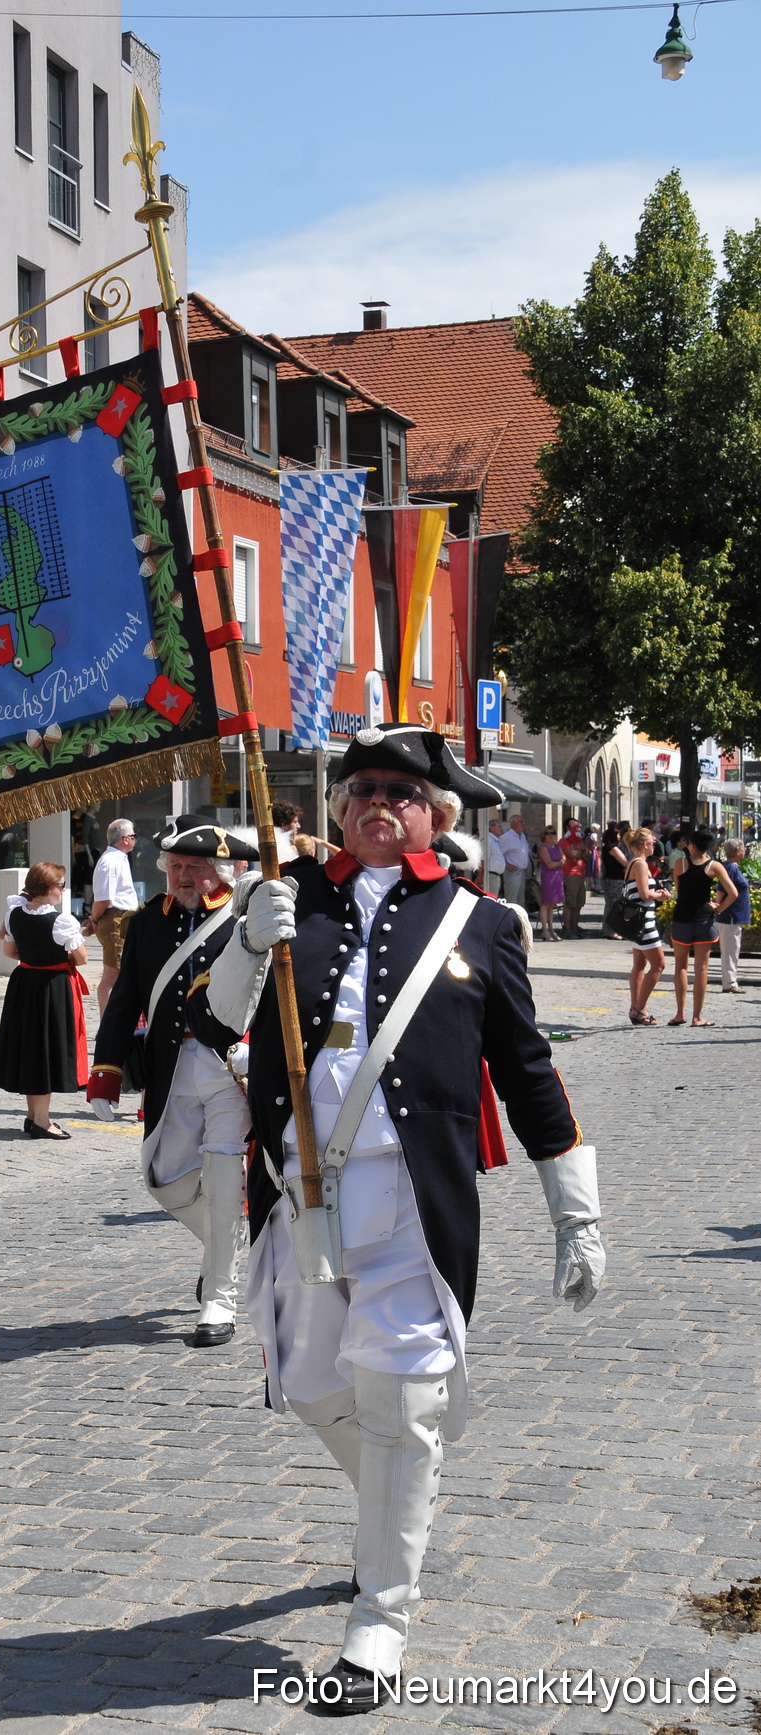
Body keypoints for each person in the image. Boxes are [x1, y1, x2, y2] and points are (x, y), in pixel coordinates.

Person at [193, 725, 604, 1711]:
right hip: (297, 1198)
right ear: (337, 805)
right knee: (305, 1385)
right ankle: (392, 1489)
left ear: (437, 813)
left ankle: (379, 1621)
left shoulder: (481, 921)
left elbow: (527, 1069)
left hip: (411, 1203)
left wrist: (573, 1212)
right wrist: (250, 939)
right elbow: (214, 1025)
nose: (380, 802)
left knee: (400, 1399)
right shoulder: (285, 900)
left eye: (402, 791)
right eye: (362, 787)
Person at [87, 817, 259, 1348]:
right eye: (176, 867)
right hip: (170, 1067)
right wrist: (105, 1073)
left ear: (219, 871)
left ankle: (220, 1300)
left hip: (231, 1067)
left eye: (195, 868)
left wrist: (260, 1046)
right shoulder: (146, 923)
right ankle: (224, 1254)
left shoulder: (241, 918)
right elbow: (125, 1001)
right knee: (163, 1179)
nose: (184, 877)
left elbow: (271, 991)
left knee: (226, 1175)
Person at [0, 861, 89, 1138]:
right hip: (51, 987)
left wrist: (35, 955)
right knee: (45, 1051)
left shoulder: (14, 915)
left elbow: (11, 953)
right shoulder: (60, 920)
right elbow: (82, 958)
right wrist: (57, 958)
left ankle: (34, 1116)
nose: (63, 889)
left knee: (31, 1049)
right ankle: (42, 1121)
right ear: (48, 888)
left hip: (24, 983)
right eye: (60, 885)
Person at [668, 829, 736, 1027]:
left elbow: (680, 890)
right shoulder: (714, 866)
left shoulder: (680, 863)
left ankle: (680, 1013)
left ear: (692, 844)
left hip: (682, 918)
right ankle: (697, 1016)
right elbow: (733, 892)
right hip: (704, 920)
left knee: (680, 966)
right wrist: (718, 908)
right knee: (702, 968)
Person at [84, 818, 139, 1015]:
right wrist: (95, 919)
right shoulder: (110, 862)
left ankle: (118, 1021)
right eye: (133, 836)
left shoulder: (119, 859)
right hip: (114, 920)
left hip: (122, 919)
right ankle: (107, 1025)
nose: (135, 840)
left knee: (121, 975)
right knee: (112, 976)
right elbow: (103, 899)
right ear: (125, 839)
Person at [623, 826, 667, 1025]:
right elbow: (644, 895)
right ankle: (639, 1008)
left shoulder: (635, 862)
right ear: (643, 844)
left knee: (639, 965)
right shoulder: (640, 864)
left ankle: (636, 1007)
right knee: (658, 965)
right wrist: (661, 895)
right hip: (644, 923)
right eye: (652, 842)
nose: (654, 844)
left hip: (638, 923)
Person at [714, 839, 750, 994]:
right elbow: (722, 891)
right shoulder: (730, 868)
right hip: (730, 914)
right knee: (730, 949)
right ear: (737, 851)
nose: (745, 850)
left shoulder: (732, 867)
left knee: (732, 948)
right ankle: (729, 982)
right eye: (743, 848)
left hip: (732, 914)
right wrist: (719, 908)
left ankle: (730, 980)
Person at [558, 820, 588, 937]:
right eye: (574, 826)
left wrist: (582, 850)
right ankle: (568, 930)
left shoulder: (580, 840)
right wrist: (581, 850)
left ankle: (574, 928)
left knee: (578, 903)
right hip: (570, 874)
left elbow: (588, 854)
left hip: (580, 874)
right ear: (567, 827)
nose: (578, 828)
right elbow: (572, 854)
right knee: (570, 903)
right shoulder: (563, 841)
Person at [600, 825, 630, 938]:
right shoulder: (613, 848)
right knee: (615, 905)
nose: (619, 836)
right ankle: (611, 930)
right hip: (616, 879)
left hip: (609, 878)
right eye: (617, 834)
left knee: (610, 905)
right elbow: (625, 862)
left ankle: (608, 929)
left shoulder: (605, 848)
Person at [537, 826, 565, 941]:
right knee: (546, 903)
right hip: (548, 877)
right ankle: (544, 930)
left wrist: (558, 863)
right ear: (544, 835)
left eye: (553, 833)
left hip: (557, 877)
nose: (551, 835)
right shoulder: (543, 847)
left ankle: (551, 929)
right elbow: (549, 864)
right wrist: (559, 863)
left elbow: (564, 860)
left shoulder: (557, 846)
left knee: (552, 904)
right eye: (548, 833)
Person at [498, 814, 532, 906]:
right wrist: (507, 865)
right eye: (521, 821)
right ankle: (510, 919)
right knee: (512, 899)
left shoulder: (522, 836)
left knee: (520, 900)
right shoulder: (506, 837)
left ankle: (519, 920)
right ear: (513, 824)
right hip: (512, 872)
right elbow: (498, 853)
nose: (523, 823)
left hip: (522, 872)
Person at [486, 818, 507, 896]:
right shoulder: (488, 839)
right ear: (491, 828)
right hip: (491, 875)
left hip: (496, 876)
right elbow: (483, 859)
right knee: (491, 899)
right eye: (499, 826)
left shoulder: (495, 840)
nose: (501, 829)